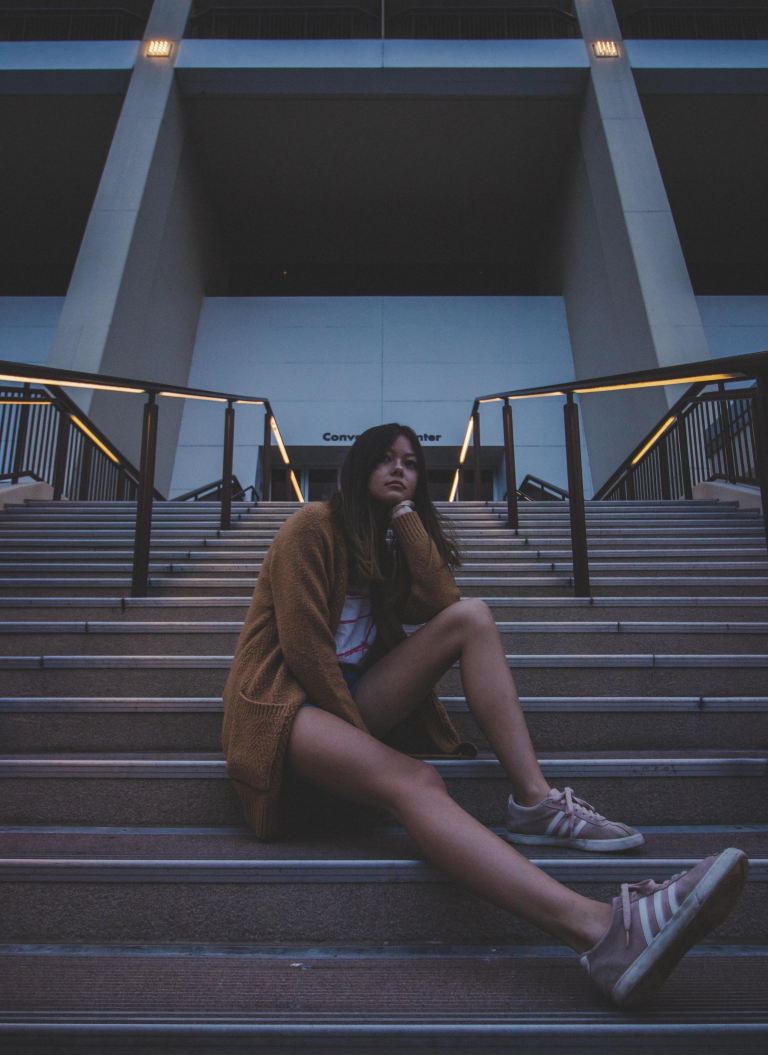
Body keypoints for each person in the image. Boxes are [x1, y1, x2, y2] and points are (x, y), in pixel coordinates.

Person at [222, 423, 747, 1006]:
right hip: (284, 708)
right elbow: (304, 651)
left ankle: (534, 801)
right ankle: (601, 931)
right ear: (358, 466)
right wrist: (371, 755)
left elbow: (444, 602)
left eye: (412, 464)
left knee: (473, 616)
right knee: (418, 780)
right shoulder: (311, 527)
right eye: (386, 460)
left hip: (350, 703)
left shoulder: (389, 545)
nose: (400, 470)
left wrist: (404, 518)